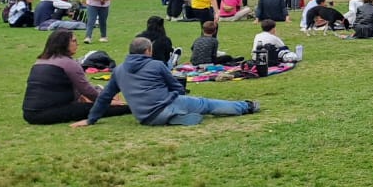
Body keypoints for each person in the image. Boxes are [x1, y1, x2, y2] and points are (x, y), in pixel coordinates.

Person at [87, 37, 260, 126]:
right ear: (147, 51)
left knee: (185, 105)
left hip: (144, 117)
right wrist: (180, 95)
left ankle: (175, 117)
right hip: (166, 105)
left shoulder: (118, 71)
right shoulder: (156, 65)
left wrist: (91, 119)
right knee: (206, 104)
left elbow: (104, 98)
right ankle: (247, 106)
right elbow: (176, 86)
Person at [22, 29, 133, 125]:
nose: (77, 44)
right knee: (103, 108)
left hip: (29, 113)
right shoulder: (68, 63)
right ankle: (132, 108)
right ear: (63, 44)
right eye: (74, 41)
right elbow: (87, 90)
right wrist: (107, 101)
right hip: (47, 112)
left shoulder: (40, 61)